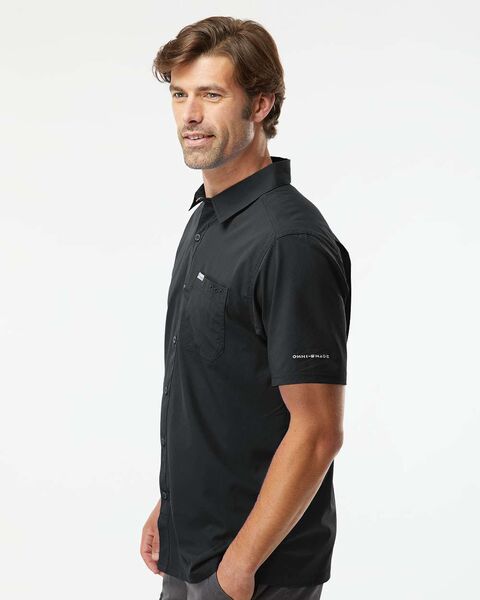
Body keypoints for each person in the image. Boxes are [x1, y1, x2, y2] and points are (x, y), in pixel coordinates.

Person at [140, 16, 351, 600]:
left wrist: (240, 564)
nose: (189, 115)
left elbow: (318, 431)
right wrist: (171, 504)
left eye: (211, 95)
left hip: (254, 571)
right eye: (179, 94)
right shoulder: (207, 219)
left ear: (260, 104)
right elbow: (219, 392)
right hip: (191, 548)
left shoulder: (290, 243)